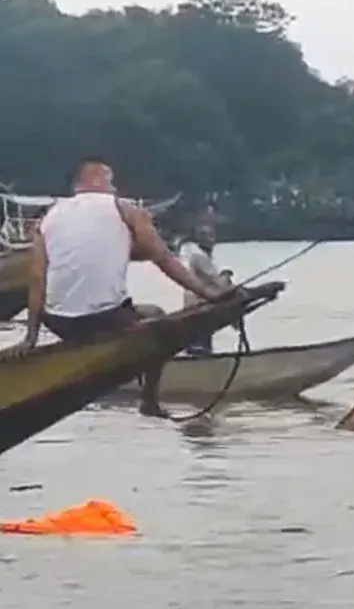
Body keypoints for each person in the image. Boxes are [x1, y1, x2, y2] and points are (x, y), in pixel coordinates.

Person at [19, 157, 228, 417]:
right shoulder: (124, 209)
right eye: (111, 181)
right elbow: (163, 258)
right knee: (157, 318)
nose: (115, 189)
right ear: (95, 180)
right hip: (105, 318)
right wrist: (208, 293)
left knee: (133, 315)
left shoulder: (49, 218)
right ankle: (149, 401)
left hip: (58, 321)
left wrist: (31, 337)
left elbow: (38, 279)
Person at [177, 205, 232, 355]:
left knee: (197, 344)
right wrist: (226, 276)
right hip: (199, 308)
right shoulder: (197, 254)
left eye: (212, 235)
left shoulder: (188, 250)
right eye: (207, 235)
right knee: (200, 346)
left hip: (195, 309)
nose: (211, 238)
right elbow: (216, 281)